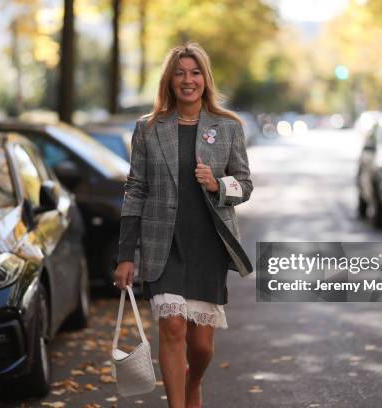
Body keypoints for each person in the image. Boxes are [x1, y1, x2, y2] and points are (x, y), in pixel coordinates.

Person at [113, 42, 253, 408]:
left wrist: (218, 185)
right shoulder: (148, 129)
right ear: (169, 81)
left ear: (205, 79)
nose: (187, 80)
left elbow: (245, 185)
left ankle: (193, 385)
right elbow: (136, 189)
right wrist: (126, 254)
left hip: (208, 246)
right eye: (180, 73)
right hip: (163, 244)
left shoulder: (228, 127)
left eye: (194, 73)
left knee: (202, 347)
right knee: (172, 327)